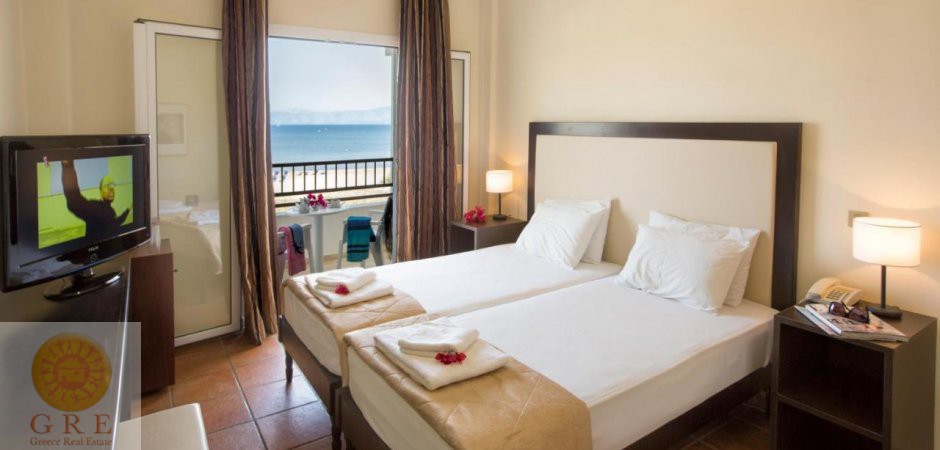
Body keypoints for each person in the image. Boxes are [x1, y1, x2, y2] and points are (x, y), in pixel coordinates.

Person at [61, 159, 131, 243]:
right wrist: (67, 166)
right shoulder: (95, 207)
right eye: (107, 185)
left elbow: (116, 222)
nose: (111, 188)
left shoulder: (111, 211)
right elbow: (74, 201)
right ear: (100, 190)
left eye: (113, 185)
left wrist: (128, 209)